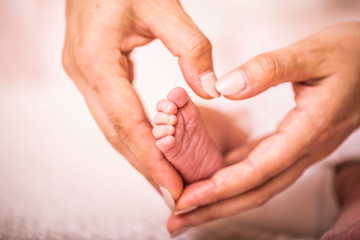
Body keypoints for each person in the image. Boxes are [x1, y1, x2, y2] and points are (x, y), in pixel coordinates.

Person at [62, 0, 360, 237]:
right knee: (245, 124)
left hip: (345, 59)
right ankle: (209, 139)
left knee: (350, 180)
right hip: (302, 79)